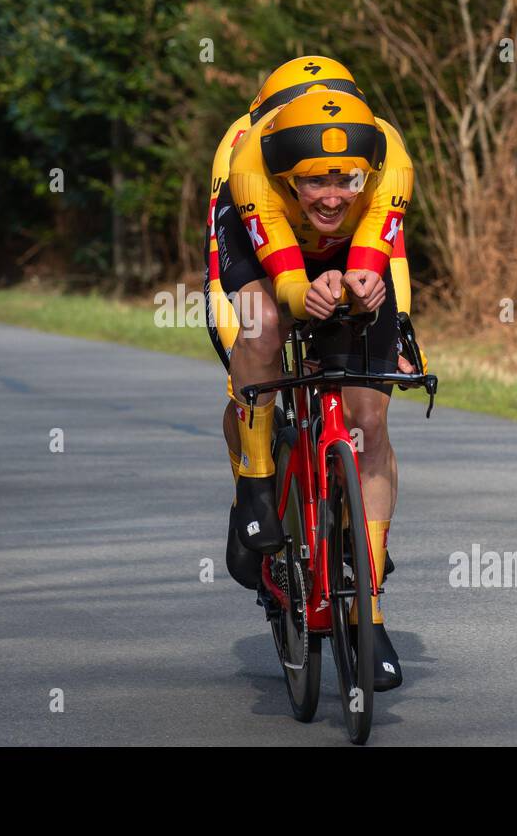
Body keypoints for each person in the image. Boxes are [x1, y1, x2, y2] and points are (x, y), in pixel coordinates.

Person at [206, 78, 424, 691]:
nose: (331, 196)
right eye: (314, 180)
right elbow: (283, 282)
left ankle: (369, 609)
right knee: (264, 329)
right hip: (260, 245)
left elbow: (380, 251)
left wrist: (371, 291)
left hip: (352, 247)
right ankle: (254, 483)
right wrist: (308, 291)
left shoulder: (390, 160)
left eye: (345, 180)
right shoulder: (248, 160)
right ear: (283, 169)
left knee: (370, 422)